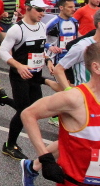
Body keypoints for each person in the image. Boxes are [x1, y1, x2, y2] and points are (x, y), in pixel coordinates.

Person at [0, 0, 58, 160]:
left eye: (43, 10)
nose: (42, 13)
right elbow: (2, 52)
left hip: (35, 74)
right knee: (24, 111)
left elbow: (40, 48)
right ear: (28, 8)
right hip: (20, 75)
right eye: (39, 10)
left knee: (35, 109)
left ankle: (3, 99)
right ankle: (9, 145)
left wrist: (48, 60)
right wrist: (18, 66)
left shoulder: (42, 26)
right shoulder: (17, 29)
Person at [20, 42, 100, 186]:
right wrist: (45, 158)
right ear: (96, 67)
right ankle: (30, 167)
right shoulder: (75, 98)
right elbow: (28, 114)